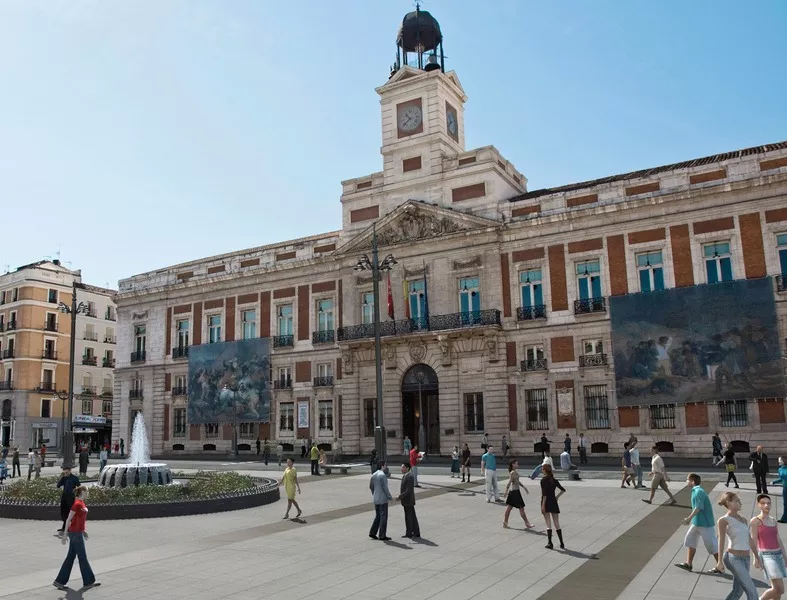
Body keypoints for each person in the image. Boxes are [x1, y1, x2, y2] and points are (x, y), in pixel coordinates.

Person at [53, 486, 100, 591]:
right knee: (82, 557)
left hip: (78, 533)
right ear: (82, 492)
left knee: (70, 557)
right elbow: (69, 519)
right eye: (87, 491)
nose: (88, 493)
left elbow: (80, 519)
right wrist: (65, 534)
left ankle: (59, 581)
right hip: (75, 534)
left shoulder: (82, 503)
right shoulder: (77, 504)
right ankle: (89, 581)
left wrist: (83, 531)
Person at [715, 491, 760, 600]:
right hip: (732, 558)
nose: (740, 503)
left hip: (746, 559)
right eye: (737, 501)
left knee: (738, 591)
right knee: (752, 592)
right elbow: (721, 540)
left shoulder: (744, 520)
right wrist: (719, 561)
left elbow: (749, 539)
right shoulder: (723, 520)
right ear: (729, 503)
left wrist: (757, 557)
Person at [675, 474, 720, 573]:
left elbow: (699, 507)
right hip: (697, 522)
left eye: (687, 480)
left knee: (711, 545)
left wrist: (688, 518)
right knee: (690, 539)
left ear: (692, 481)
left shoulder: (699, 492)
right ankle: (688, 564)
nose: (686, 481)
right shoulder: (696, 491)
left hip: (705, 524)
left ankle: (720, 566)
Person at [750, 493, 786, 599]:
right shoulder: (755, 521)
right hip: (767, 555)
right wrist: (755, 558)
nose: (766, 505)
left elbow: (778, 539)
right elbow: (753, 540)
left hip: (778, 554)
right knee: (779, 589)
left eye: (768, 503)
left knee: (777, 591)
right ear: (758, 505)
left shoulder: (773, 520)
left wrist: (785, 556)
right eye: (763, 503)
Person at [540, 464, 566, 550]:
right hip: (553, 502)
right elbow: (563, 490)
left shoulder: (543, 480)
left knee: (548, 523)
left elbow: (544, 495)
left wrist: (543, 505)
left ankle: (550, 542)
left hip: (546, 502)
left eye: (542, 469)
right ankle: (561, 542)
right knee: (556, 523)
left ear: (544, 470)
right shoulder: (554, 480)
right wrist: (557, 497)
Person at [503, 459, 534, 529]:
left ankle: (505, 523)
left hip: (515, 492)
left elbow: (517, 481)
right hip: (514, 492)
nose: (518, 465)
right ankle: (527, 523)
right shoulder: (512, 473)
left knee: (509, 508)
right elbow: (509, 483)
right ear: (513, 464)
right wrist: (505, 491)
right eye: (516, 464)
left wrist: (524, 487)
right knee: (521, 508)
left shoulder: (514, 472)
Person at [369, 461, 392, 541]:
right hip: (383, 499)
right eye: (385, 465)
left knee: (378, 516)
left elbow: (371, 486)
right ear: (382, 466)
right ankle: (382, 535)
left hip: (376, 498)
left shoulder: (374, 475)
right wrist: (389, 497)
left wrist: (374, 493)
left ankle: (372, 532)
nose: (386, 467)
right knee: (383, 517)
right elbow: (385, 488)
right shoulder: (383, 475)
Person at [397, 463, 420, 539]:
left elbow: (408, 490)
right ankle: (415, 532)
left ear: (407, 468)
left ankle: (410, 533)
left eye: (403, 467)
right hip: (406, 500)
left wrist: (400, 496)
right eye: (401, 467)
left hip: (408, 500)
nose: (401, 468)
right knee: (411, 516)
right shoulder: (405, 476)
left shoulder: (409, 477)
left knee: (409, 517)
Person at [57, 465, 81, 534]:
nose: (66, 474)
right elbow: (58, 485)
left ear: (70, 471)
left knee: (70, 512)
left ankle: (72, 527)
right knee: (63, 511)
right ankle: (64, 527)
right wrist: (62, 478)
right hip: (64, 496)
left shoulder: (74, 478)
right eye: (65, 472)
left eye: (67, 472)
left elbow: (79, 487)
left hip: (71, 497)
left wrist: (77, 496)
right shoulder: (64, 478)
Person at [776, 457, 787, 523]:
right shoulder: (780, 469)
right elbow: (781, 479)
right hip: (785, 488)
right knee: (785, 504)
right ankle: (784, 518)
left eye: (779, 460)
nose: (778, 462)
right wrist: (774, 482)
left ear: (784, 461)